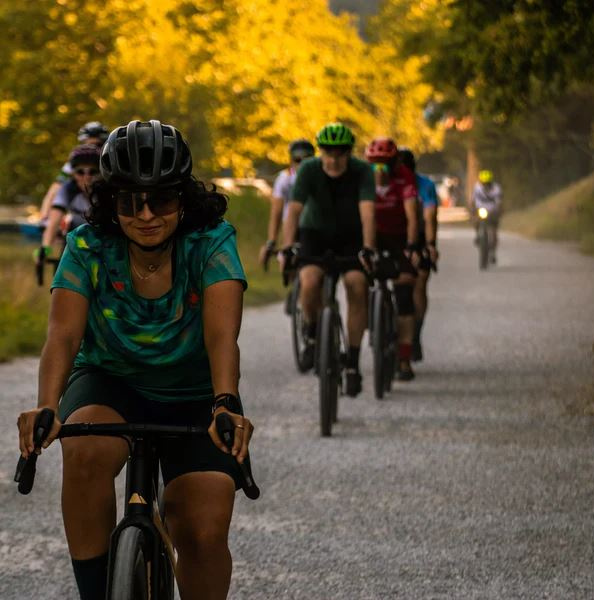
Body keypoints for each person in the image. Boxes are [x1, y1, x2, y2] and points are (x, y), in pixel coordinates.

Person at [17, 119, 252, 600]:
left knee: (202, 526)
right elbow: (63, 336)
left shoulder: (211, 242)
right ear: (111, 201)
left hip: (194, 392)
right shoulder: (87, 245)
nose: (146, 215)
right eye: (129, 201)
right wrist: (46, 406)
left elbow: (222, 336)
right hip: (109, 381)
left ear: (182, 198)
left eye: (160, 200)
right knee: (83, 455)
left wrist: (225, 402)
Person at [280, 122, 376, 396]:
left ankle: (353, 363)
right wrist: (288, 247)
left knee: (357, 284)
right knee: (310, 281)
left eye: (340, 153)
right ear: (320, 152)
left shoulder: (362, 171)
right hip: (315, 233)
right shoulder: (309, 169)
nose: (333, 159)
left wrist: (368, 248)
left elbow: (368, 213)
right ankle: (312, 335)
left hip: (351, 235)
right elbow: (293, 211)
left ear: (349, 153)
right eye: (328, 153)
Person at [366, 139, 420, 380]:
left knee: (405, 291)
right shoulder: (363, 178)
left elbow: (412, 216)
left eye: (385, 164)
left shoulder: (404, 176)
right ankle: (369, 321)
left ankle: (405, 358)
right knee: (357, 280)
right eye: (375, 164)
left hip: (399, 237)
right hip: (372, 237)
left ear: (395, 163)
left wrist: (412, 246)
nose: (380, 170)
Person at [396, 147, 439, 362]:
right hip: (394, 234)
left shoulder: (425, 185)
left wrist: (430, 245)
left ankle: (415, 334)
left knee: (419, 282)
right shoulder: (387, 182)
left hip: (419, 236)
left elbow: (430, 218)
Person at [37, 144, 102, 262]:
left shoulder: (106, 188)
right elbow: (54, 221)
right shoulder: (67, 189)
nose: (86, 177)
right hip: (77, 235)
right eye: (80, 172)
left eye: (92, 172)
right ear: (73, 174)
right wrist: (45, 249)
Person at [258, 139, 315, 268]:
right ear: (291, 160)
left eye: (307, 159)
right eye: (298, 160)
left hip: (314, 224)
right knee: (288, 262)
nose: (302, 164)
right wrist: (271, 241)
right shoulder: (284, 179)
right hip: (291, 225)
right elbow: (277, 212)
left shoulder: (320, 176)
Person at [39, 121, 110, 222]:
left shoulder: (112, 160)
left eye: (98, 144)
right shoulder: (73, 164)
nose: (93, 148)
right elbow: (54, 189)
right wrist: (44, 216)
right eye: (88, 144)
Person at [470, 169, 502, 263]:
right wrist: (472, 210)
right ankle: (477, 234)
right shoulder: (477, 188)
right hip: (480, 210)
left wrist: (498, 210)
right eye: (483, 183)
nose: (485, 185)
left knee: (494, 232)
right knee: (475, 221)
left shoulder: (496, 188)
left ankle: (493, 252)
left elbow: (499, 202)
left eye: (487, 183)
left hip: (492, 211)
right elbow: (473, 200)